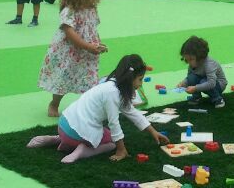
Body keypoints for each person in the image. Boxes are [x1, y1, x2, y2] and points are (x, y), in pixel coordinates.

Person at [27, 54, 168, 163]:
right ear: (129, 78)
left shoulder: (110, 84)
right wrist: (121, 149)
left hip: (64, 124)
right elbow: (114, 123)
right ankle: (84, 150)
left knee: (101, 132)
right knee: (111, 142)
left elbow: (132, 112)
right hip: (76, 134)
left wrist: (153, 131)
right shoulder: (113, 93)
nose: (140, 84)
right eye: (140, 79)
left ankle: (58, 139)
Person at [38, 0, 108, 117]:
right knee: (63, 77)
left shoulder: (92, 9)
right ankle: (54, 103)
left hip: (87, 52)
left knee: (89, 79)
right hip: (68, 52)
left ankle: (88, 107)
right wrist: (88, 46)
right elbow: (70, 32)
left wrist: (98, 43)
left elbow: (93, 28)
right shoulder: (70, 10)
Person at [177, 35, 228, 108]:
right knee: (191, 77)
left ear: (199, 56)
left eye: (191, 59)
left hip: (218, 85)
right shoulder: (192, 63)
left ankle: (218, 99)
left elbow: (211, 83)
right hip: (203, 81)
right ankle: (197, 97)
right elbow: (190, 77)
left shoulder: (209, 64)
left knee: (204, 81)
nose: (189, 62)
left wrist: (195, 88)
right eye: (187, 59)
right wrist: (183, 83)